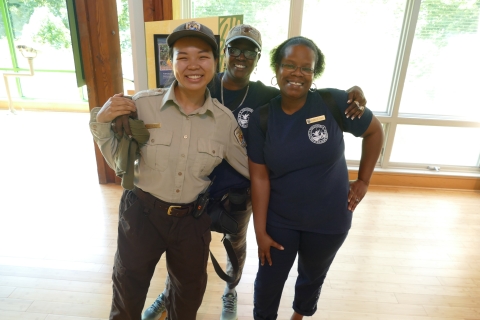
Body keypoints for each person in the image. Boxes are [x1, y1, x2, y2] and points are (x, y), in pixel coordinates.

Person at [141, 25, 368, 320]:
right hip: (192, 188)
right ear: (224, 54)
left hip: (239, 193)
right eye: (235, 49)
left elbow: (298, 88)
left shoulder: (265, 96)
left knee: (235, 247)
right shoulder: (201, 85)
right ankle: (169, 293)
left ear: (259, 59)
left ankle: (230, 291)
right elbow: (162, 103)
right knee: (185, 252)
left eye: (249, 51)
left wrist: (352, 94)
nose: (241, 56)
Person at [89, 21, 250, 320]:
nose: (193, 65)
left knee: (188, 299)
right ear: (169, 62)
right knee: (127, 293)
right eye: (182, 56)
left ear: (216, 63)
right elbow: (118, 161)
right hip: (142, 214)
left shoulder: (226, 123)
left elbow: (252, 170)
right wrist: (101, 121)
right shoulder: (141, 106)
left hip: (192, 220)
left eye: (202, 56)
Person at [246, 36, 384, 320]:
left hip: (330, 221)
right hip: (280, 220)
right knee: (268, 283)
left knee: (312, 277)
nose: (297, 73)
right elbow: (259, 179)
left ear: (314, 73)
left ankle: (299, 315)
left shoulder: (333, 102)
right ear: (277, 68)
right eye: (289, 65)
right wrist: (260, 232)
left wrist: (364, 181)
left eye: (306, 68)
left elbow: (374, 131)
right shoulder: (263, 118)